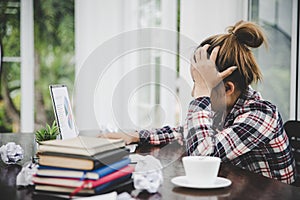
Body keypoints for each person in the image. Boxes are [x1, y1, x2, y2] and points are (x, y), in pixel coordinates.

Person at [100, 20, 296, 184]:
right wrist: (135, 136)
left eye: (200, 84)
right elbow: (186, 133)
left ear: (227, 88)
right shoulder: (228, 109)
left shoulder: (261, 115)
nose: (194, 91)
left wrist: (203, 94)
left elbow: (202, 157)